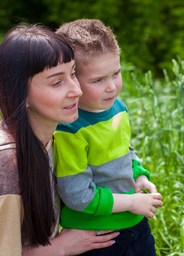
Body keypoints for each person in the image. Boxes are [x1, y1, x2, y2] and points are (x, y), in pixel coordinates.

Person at [0, 24, 119, 256]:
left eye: (74, 73)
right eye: (57, 82)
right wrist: (62, 247)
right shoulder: (7, 170)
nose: (76, 90)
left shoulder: (51, 134)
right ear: (21, 94)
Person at [54, 19, 163, 256]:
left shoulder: (116, 107)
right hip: (96, 238)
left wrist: (139, 175)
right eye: (98, 80)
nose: (112, 87)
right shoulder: (69, 130)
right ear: (72, 79)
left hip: (136, 225)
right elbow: (78, 196)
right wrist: (132, 203)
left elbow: (125, 150)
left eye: (116, 73)